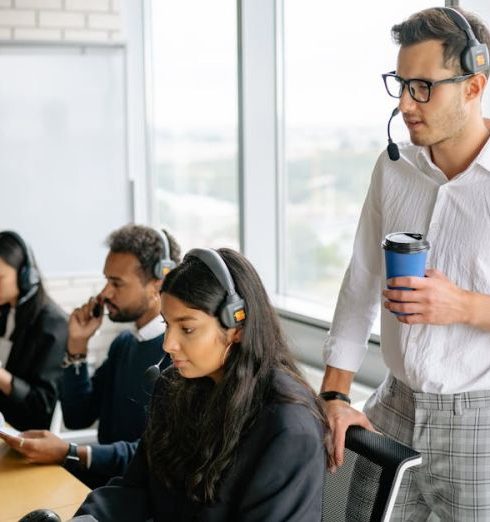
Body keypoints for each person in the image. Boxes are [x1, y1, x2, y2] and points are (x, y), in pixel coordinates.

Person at [320, 6, 490, 521]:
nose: (405, 103)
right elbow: (361, 281)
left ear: (473, 85)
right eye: (400, 83)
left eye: (422, 86)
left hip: (478, 420)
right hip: (393, 406)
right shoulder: (394, 169)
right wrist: (333, 392)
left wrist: (463, 306)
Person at [74, 248, 325, 522]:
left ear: (237, 326)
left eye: (187, 328)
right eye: (167, 324)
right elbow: (136, 487)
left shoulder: (287, 428)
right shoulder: (174, 387)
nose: (168, 343)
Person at [0, 224, 181, 489]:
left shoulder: (177, 357)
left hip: (141, 497)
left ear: (158, 283)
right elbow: (78, 416)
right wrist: (77, 346)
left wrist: (69, 452)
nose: (105, 293)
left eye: (116, 283)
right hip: (107, 490)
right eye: (107, 280)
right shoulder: (124, 344)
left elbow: (153, 454)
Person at [0, 230, 67, 431]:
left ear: (25, 276)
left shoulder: (53, 323)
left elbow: (42, 405)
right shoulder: (5, 310)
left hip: (23, 434)